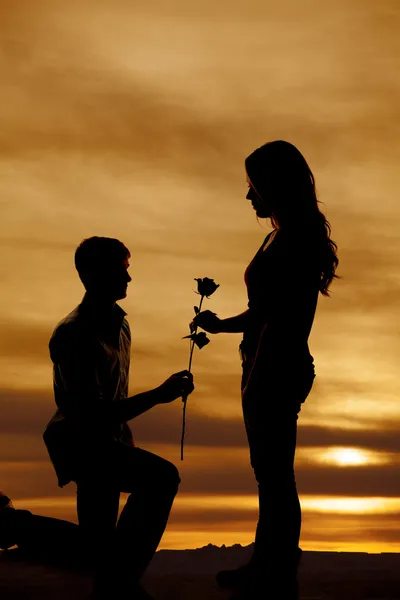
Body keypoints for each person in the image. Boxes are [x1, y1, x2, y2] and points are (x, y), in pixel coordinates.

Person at [0, 236, 194, 600]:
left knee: (95, 546)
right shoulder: (73, 333)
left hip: (105, 440)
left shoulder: (119, 326)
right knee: (162, 478)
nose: (128, 279)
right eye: (122, 269)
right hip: (82, 442)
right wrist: (158, 396)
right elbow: (87, 412)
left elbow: (111, 398)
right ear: (91, 274)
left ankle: (10, 525)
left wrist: (124, 436)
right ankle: (117, 582)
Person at [192, 141, 339, 599]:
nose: (248, 195)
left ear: (274, 185)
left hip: (276, 364)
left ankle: (276, 567)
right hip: (262, 359)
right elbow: (264, 309)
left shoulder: (296, 239)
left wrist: (223, 327)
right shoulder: (280, 235)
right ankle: (267, 561)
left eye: (253, 185)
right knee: (270, 471)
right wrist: (227, 329)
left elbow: (272, 312)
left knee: (275, 473)